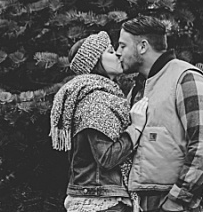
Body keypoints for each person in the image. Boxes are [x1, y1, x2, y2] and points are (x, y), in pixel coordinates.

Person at [116, 16, 203, 212]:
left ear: (142, 46)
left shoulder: (186, 78)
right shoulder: (138, 88)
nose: (118, 52)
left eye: (123, 46)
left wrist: (176, 200)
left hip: (179, 204)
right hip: (145, 201)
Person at [50, 31, 145, 212]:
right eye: (110, 51)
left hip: (98, 195)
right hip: (100, 202)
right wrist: (136, 128)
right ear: (95, 62)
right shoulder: (96, 100)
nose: (118, 54)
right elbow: (107, 158)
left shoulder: (97, 94)